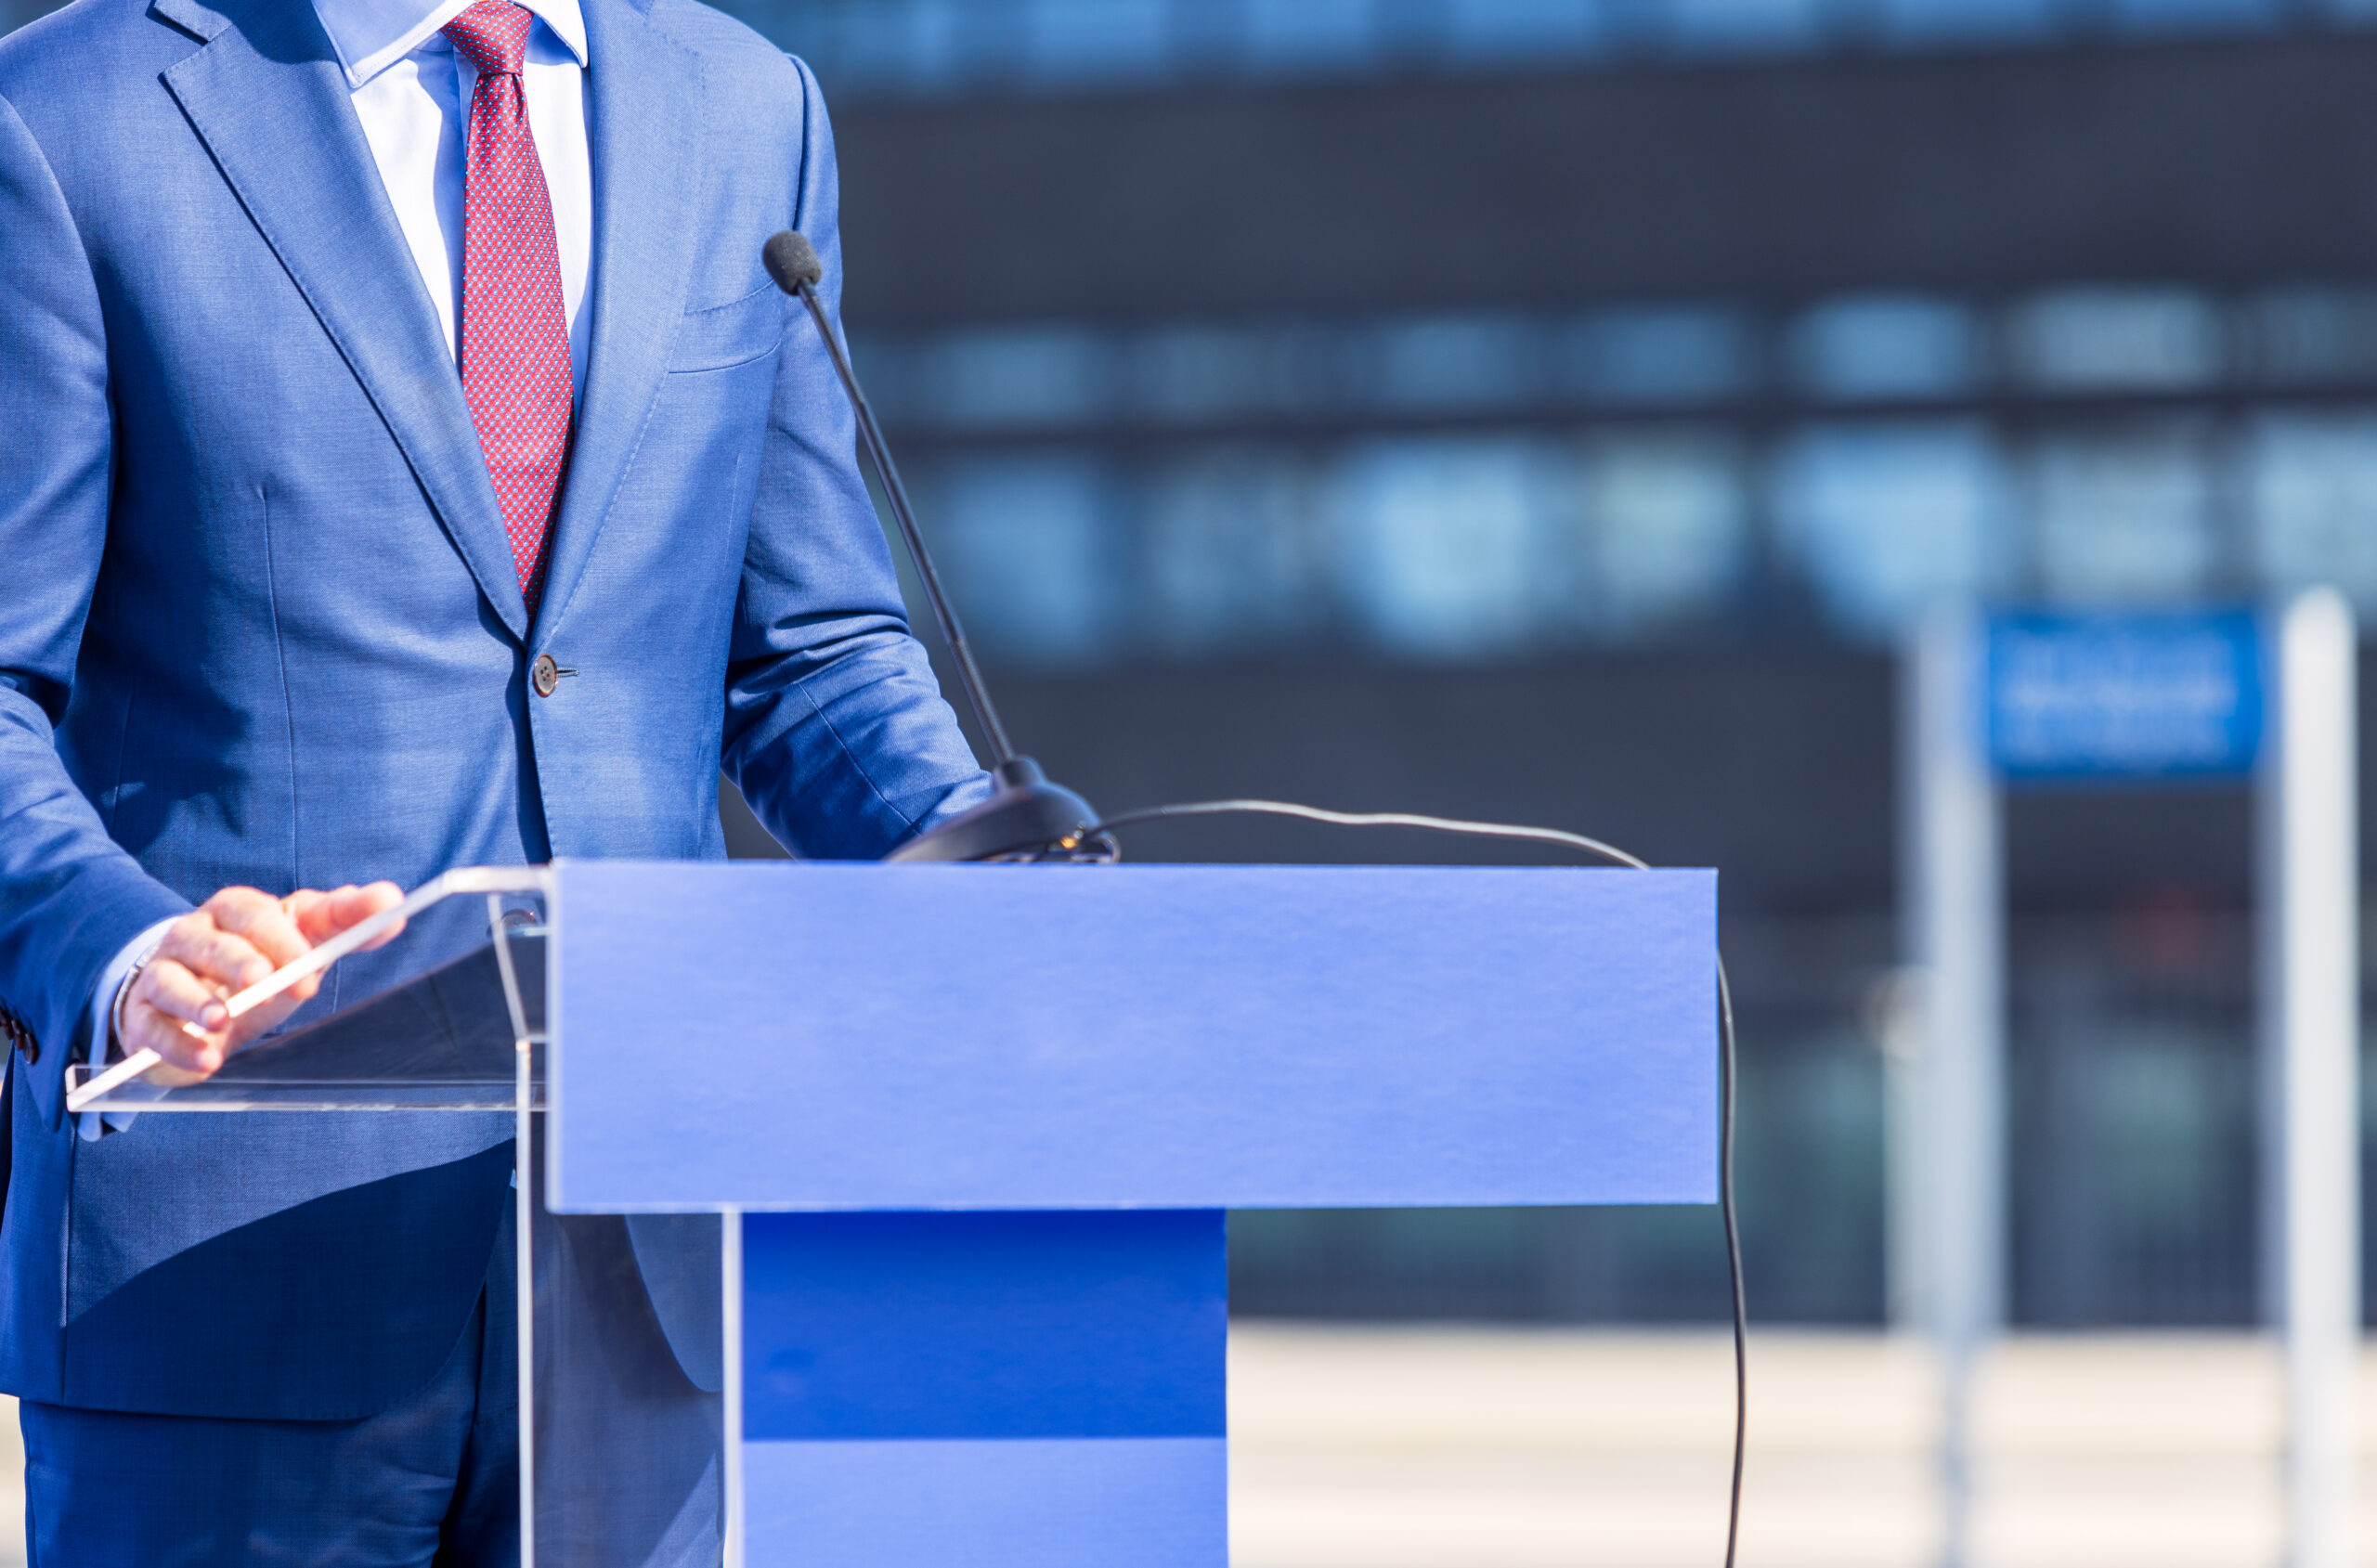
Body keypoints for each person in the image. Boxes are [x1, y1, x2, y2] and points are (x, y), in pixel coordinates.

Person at [0, 0, 991, 1549]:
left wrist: (992, 866)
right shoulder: (64, 115)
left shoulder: (752, 108)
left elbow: (806, 652)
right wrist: (125, 957)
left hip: (649, 1269)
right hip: (229, 1258)